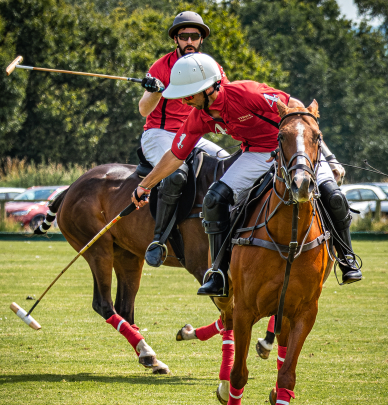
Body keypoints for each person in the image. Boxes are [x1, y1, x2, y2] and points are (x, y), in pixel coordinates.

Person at [133, 53, 362, 294]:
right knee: (214, 199)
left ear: (209, 88)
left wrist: (317, 151)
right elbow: (175, 155)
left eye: (189, 94)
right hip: (257, 154)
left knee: (332, 194)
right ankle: (219, 273)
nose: (185, 101)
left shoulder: (247, 93)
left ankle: (346, 257)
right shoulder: (199, 116)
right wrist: (145, 185)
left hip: (294, 149)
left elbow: (296, 107)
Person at [138, 11, 229, 268]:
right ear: (175, 40)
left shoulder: (211, 67)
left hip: (193, 132)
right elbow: (144, 110)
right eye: (183, 36)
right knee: (177, 173)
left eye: (194, 36)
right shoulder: (161, 67)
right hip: (159, 132)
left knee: (227, 164)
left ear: (201, 39)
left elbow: (225, 100)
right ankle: (158, 240)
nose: (189, 41)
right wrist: (155, 91)